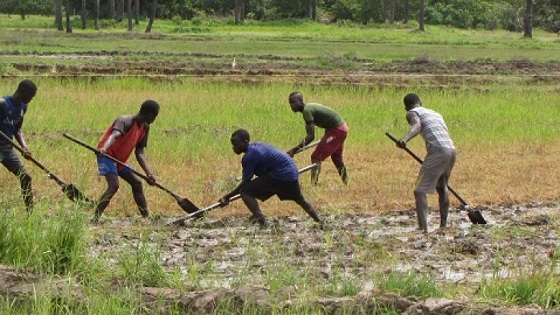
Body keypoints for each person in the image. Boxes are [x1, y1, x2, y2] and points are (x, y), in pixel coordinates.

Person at [219, 128, 323, 228]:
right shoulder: (257, 146)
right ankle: (319, 221)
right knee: (299, 199)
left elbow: (246, 182)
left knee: (245, 192)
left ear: (245, 142)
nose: (234, 148)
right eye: (233, 145)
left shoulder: (249, 156)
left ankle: (262, 222)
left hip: (281, 174)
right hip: (291, 172)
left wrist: (227, 197)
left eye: (236, 144)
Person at [396, 93, 456, 233]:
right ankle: (443, 226)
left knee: (420, 190)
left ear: (406, 107)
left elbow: (417, 126)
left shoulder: (412, 113)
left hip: (438, 150)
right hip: (451, 150)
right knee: (442, 187)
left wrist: (405, 139)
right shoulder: (435, 113)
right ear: (420, 102)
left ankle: (422, 230)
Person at [93, 100, 159, 222]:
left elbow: (139, 152)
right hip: (106, 155)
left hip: (119, 160)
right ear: (150, 115)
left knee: (137, 183)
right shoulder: (125, 121)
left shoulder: (145, 127)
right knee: (114, 185)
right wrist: (104, 148)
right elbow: (114, 135)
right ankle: (94, 218)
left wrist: (149, 173)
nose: (155, 119)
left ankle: (146, 218)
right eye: (155, 116)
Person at [287, 91, 349, 186]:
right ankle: (347, 183)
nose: (292, 105)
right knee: (336, 158)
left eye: (294, 102)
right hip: (338, 128)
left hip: (337, 130)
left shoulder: (307, 111)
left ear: (300, 100)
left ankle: (314, 185)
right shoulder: (308, 109)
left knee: (316, 157)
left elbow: (310, 137)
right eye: (290, 103)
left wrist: (294, 150)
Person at [0, 80, 37, 213]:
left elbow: (17, 129)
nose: (31, 99)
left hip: (7, 148)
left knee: (26, 178)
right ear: (23, 92)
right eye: (31, 96)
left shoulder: (22, 107)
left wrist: (24, 147)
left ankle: (30, 214)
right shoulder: (3, 103)